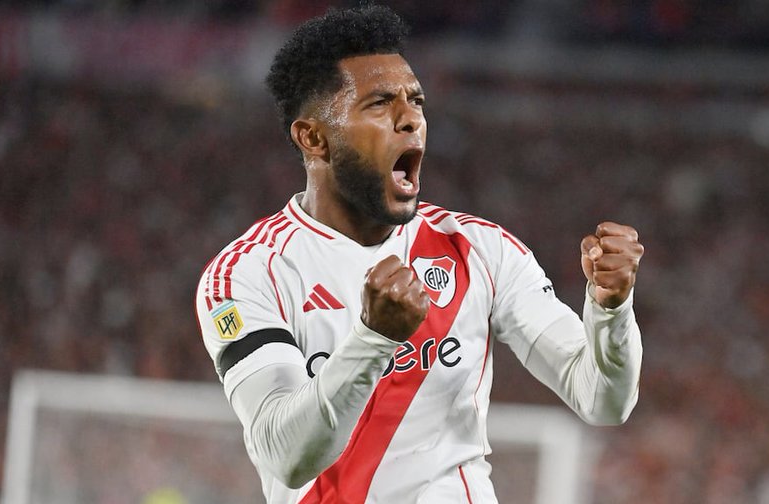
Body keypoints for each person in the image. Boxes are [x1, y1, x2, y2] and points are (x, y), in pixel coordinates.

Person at [195, 5, 644, 503]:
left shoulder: (479, 250)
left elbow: (602, 400)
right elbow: (287, 455)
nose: (411, 119)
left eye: (416, 100)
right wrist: (374, 339)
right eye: (379, 103)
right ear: (314, 138)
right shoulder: (247, 274)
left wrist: (610, 309)